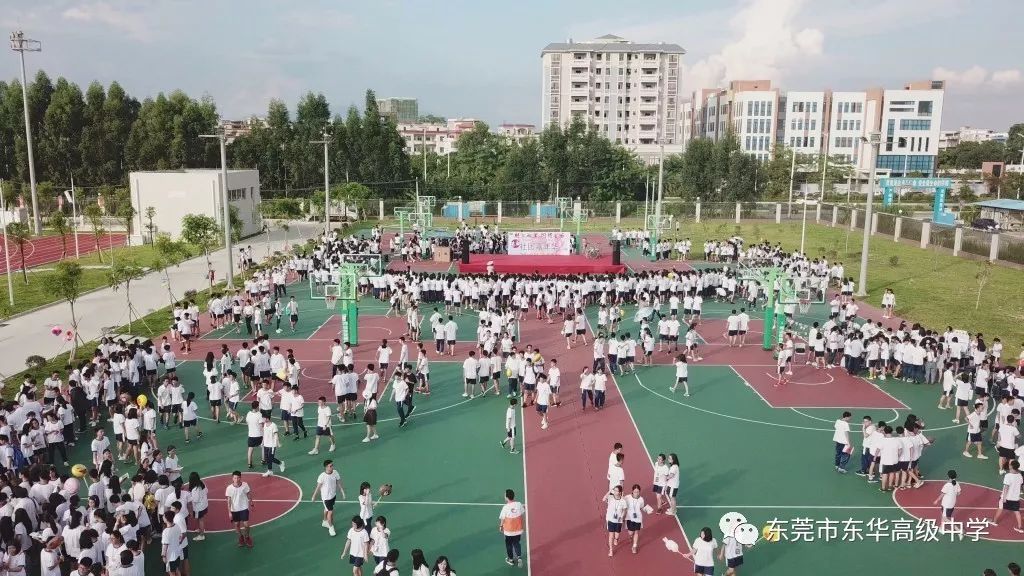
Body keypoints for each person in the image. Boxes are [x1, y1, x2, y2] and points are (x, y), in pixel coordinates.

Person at [311, 460, 345, 537]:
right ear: (326, 467)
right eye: (330, 466)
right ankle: (331, 527)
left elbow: (338, 483)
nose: (332, 467)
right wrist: (314, 496)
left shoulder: (335, 472)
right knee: (330, 512)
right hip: (326, 498)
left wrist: (342, 492)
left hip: (333, 495)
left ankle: (324, 521)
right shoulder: (322, 476)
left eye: (332, 465)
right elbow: (318, 487)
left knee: (326, 509)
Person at [992, 459, 1023, 533]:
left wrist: (1004, 498)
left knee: (1000, 508)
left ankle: (994, 521)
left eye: (1010, 464)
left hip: (1007, 497)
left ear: (1012, 467)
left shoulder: (1008, 476)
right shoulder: (1020, 476)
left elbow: (1006, 488)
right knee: (1016, 511)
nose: (1009, 465)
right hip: (1015, 498)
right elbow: (1021, 485)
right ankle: (1020, 527)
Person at [226, 471, 254, 548]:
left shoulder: (245, 485)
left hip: (244, 507)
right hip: (234, 510)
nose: (237, 479)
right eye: (235, 478)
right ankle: (241, 537)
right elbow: (228, 501)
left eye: (238, 477)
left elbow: (248, 494)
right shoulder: (229, 488)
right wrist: (229, 512)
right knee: (237, 525)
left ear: (240, 478)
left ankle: (247, 537)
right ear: (232, 478)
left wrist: (251, 503)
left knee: (246, 525)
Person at [498, 488, 525, 567]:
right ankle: (519, 557)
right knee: (516, 543)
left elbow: (502, 519)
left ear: (507, 497)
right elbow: (522, 512)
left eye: (504, 495)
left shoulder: (505, 507)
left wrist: (500, 526)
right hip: (518, 529)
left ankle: (511, 560)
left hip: (509, 531)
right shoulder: (519, 504)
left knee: (509, 545)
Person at [933, 469, 961, 533]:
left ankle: (957, 529)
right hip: (952, 503)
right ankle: (942, 528)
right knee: (943, 515)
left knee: (945, 518)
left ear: (948, 476)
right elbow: (959, 493)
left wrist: (936, 500)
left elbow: (942, 494)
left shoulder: (947, 485)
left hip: (946, 504)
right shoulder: (957, 483)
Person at [602, 485, 627, 557]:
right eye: (614, 490)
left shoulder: (623, 501)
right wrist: (610, 490)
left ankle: (616, 539)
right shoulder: (610, 498)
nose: (615, 492)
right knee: (611, 535)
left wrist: (622, 516)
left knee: (617, 534)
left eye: (617, 491)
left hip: (618, 521)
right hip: (610, 520)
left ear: (620, 492)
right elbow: (603, 499)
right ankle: (611, 550)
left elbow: (625, 510)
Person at [623, 484, 647, 554]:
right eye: (635, 491)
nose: (636, 493)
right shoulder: (627, 497)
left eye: (638, 492)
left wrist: (646, 510)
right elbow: (622, 503)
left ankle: (634, 546)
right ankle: (631, 536)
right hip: (629, 518)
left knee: (636, 532)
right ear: (632, 491)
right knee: (631, 532)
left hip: (638, 518)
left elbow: (642, 507)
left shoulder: (641, 499)